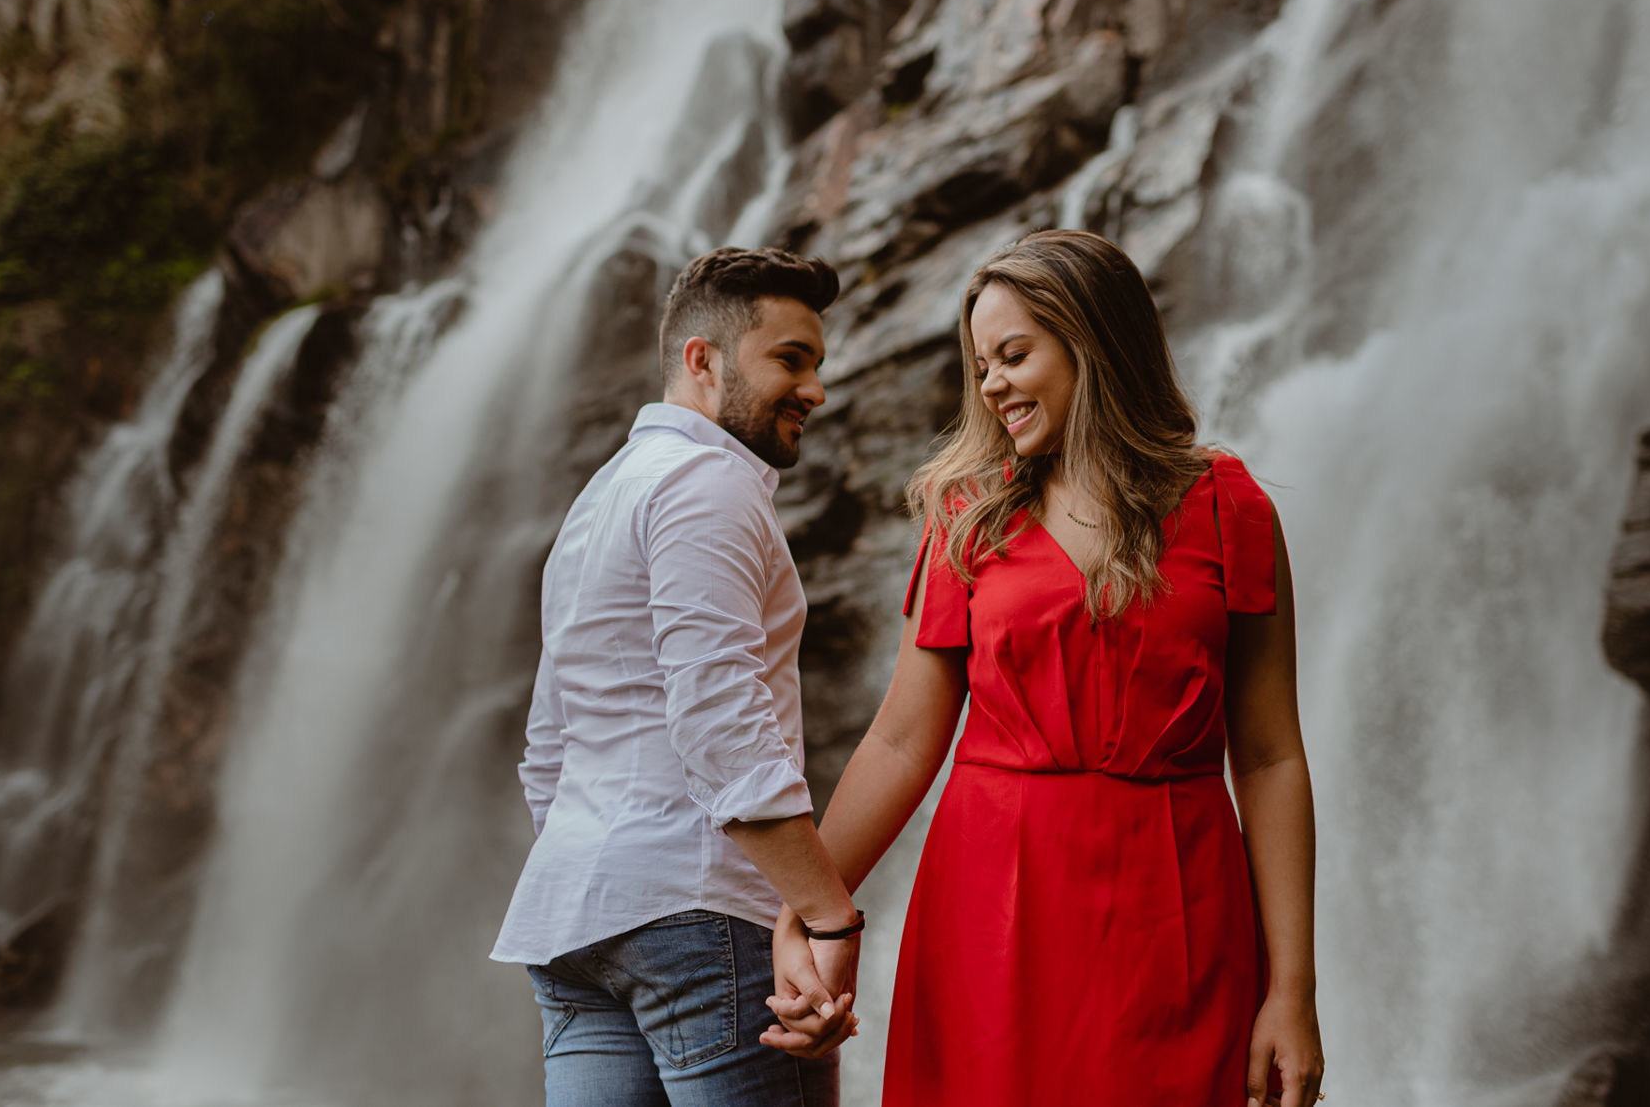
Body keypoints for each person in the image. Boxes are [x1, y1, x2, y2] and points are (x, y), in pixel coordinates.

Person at [763, 230, 1324, 1106]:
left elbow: (1269, 757)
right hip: (993, 911)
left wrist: (1293, 993)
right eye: (982, 365)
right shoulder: (968, 514)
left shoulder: (1229, 506)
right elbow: (905, 739)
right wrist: (806, 907)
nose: (991, 386)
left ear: (1092, 339)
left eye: (1014, 355)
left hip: (1179, 914)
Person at [493, 245, 861, 1107]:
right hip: (702, 918)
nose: (814, 389)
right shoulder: (710, 484)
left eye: (817, 363)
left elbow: (550, 742)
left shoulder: (600, 499)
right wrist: (827, 914)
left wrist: (605, 861)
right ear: (702, 360)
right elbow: (721, 716)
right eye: (789, 360)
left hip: (574, 922)